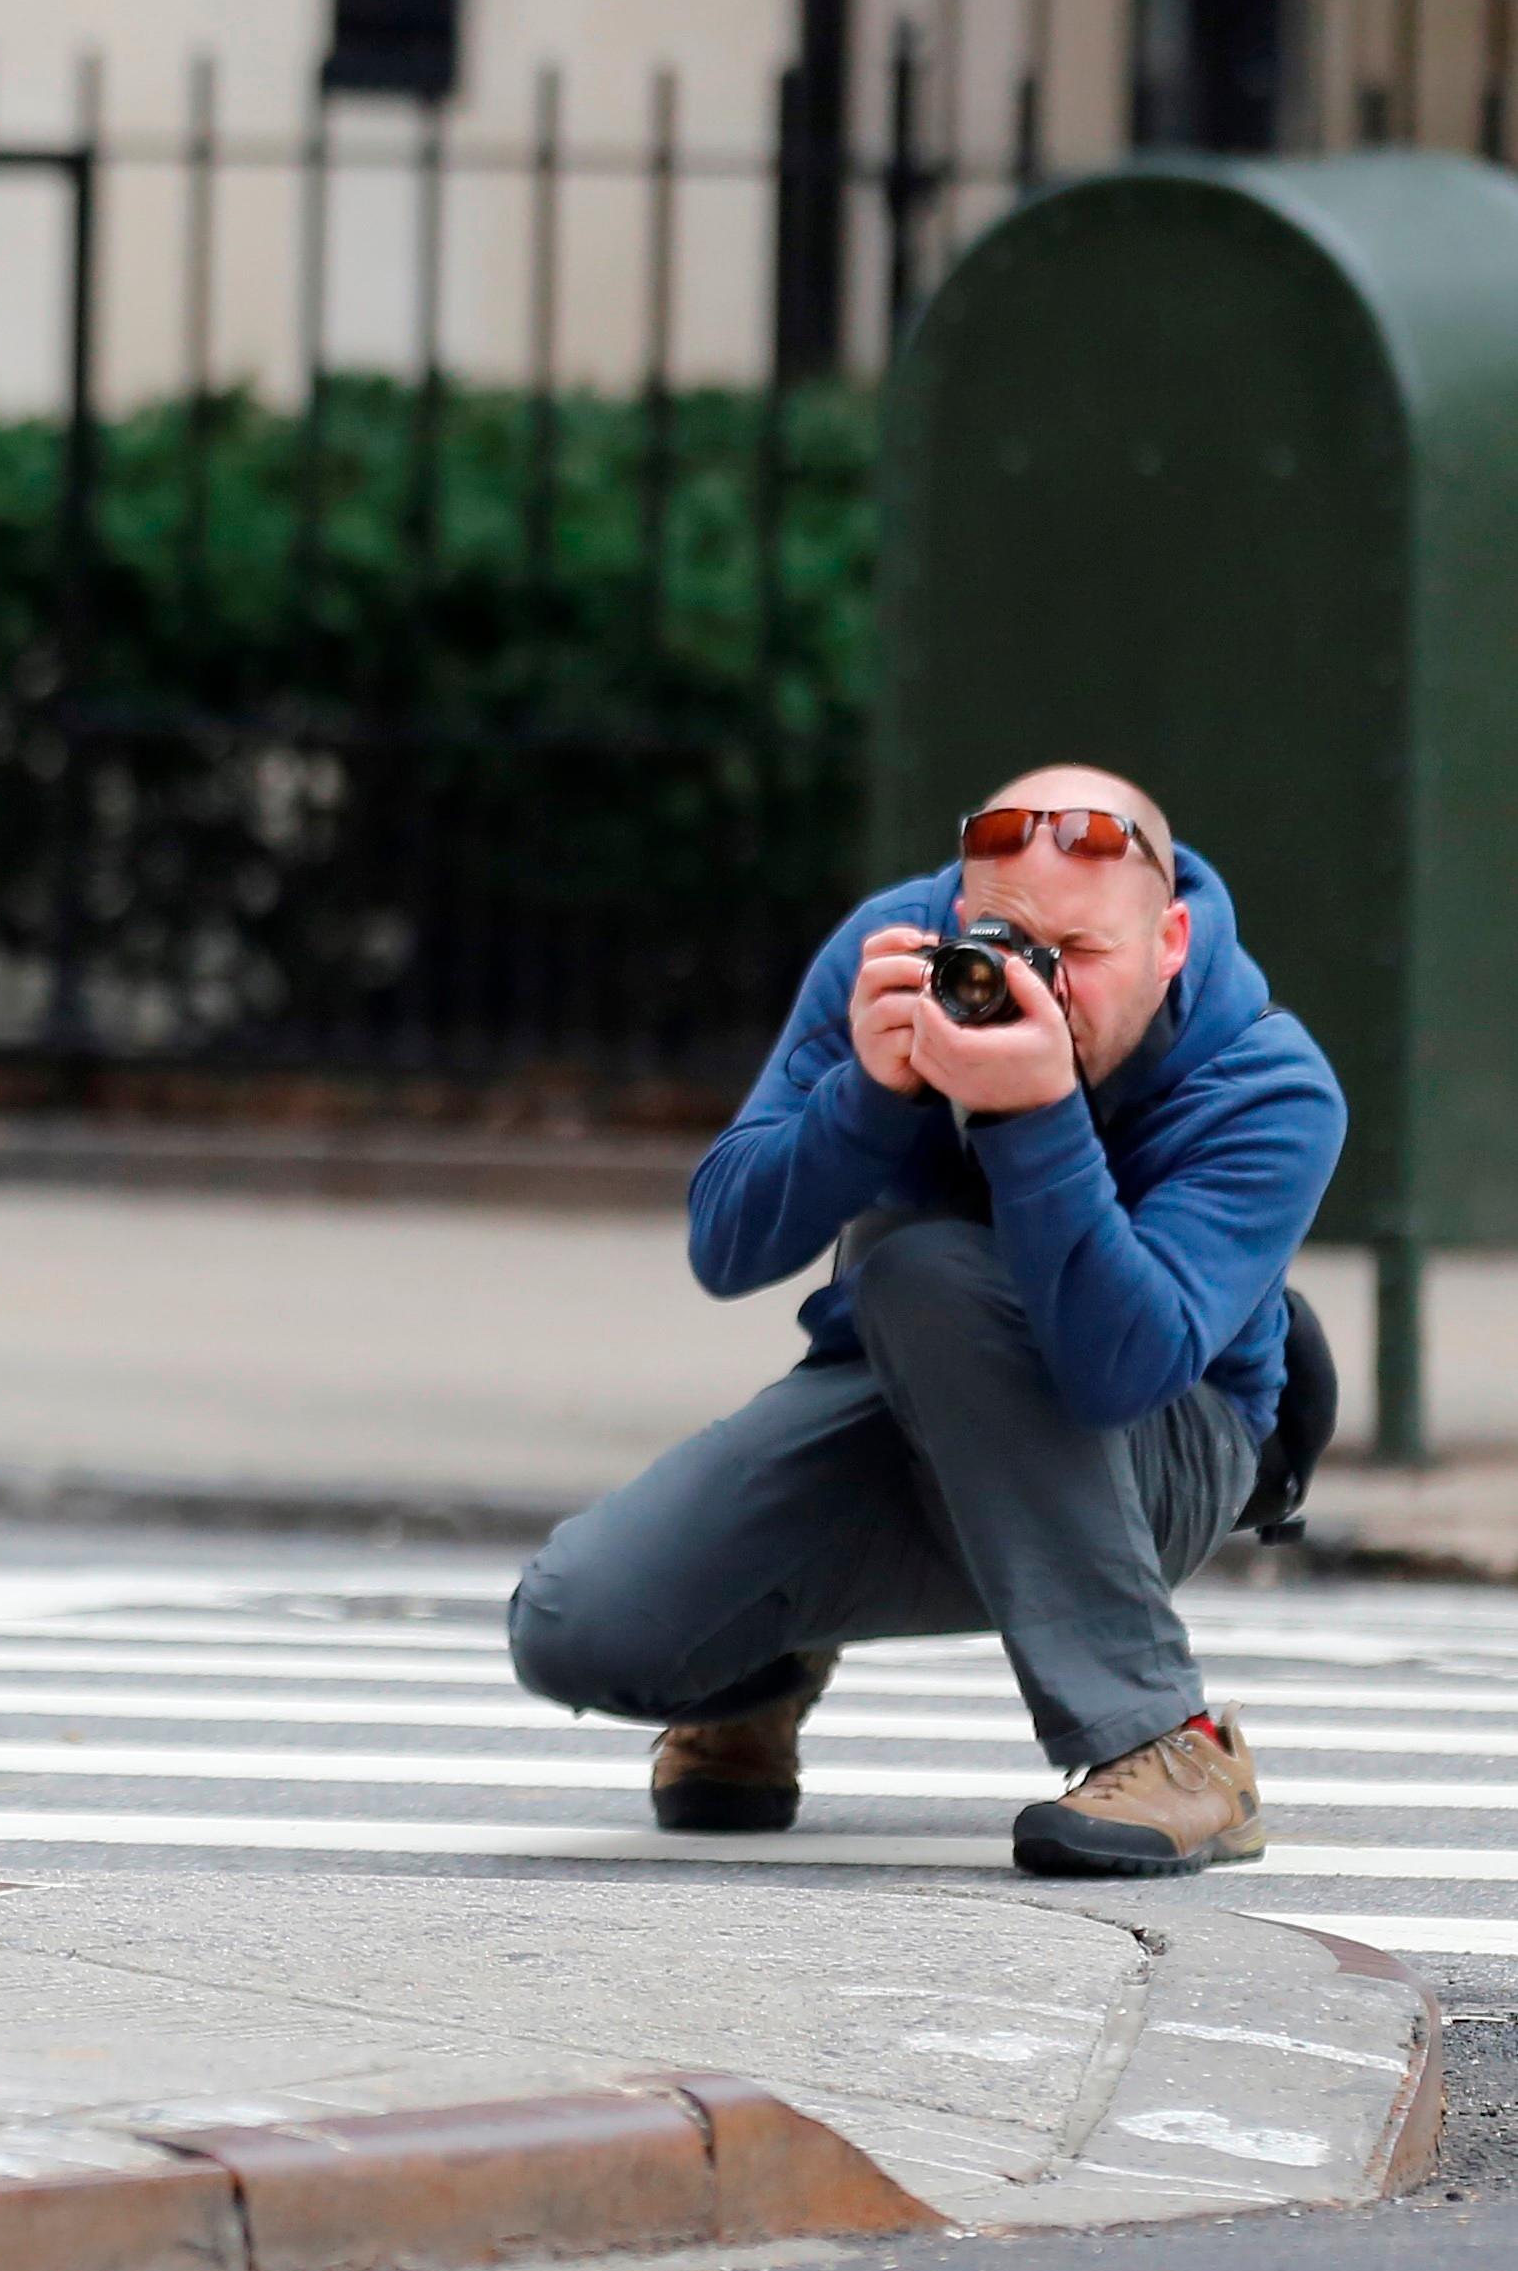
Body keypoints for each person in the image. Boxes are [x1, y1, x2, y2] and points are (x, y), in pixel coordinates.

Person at [506, 765, 1344, 1878]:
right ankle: (762, 1668)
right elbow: (728, 1245)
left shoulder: (1268, 1084)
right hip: (898, 1396)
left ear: (1173, 940)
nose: (1034, 982)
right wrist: (865, 1092)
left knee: (925, 1272)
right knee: (577, 1625)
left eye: (1081, 957)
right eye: (1003, 942)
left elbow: (1119, 1372)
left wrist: (1036, 1112)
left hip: (1164, 1444)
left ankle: (1167, 1743)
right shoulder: (899, 953)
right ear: (957, 914)